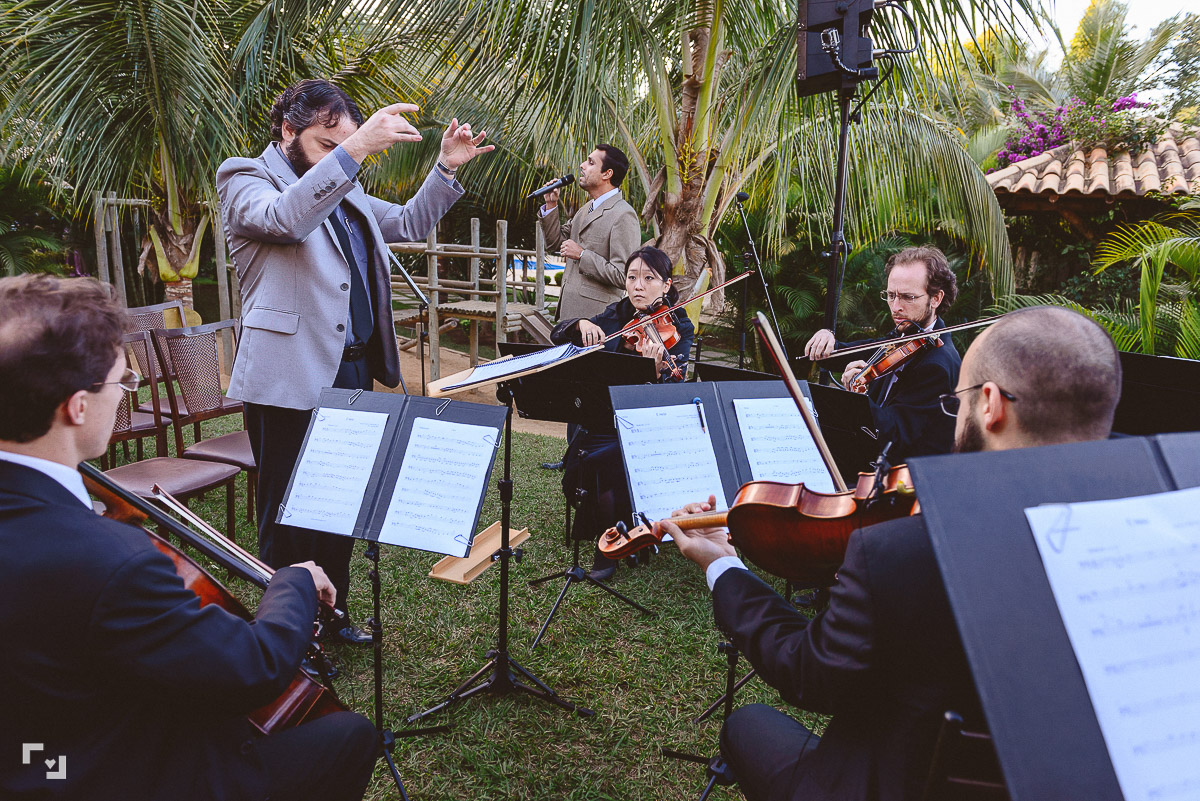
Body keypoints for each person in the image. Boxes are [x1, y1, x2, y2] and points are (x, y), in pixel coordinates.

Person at [664, 306, 1123, 801]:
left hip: (891, 784)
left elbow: (809, 674)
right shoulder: (1135, 539)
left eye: (956, 403)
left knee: (748, 723)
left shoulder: (903, 552)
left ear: (990, 404)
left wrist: (722, 564)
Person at [0, 274, 377, 801]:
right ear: (76, 406)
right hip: (91, 777)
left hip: (29, 752)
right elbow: (253, 669)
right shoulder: (113, 561)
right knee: (350, 735)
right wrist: (292, 582)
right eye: (122, 382)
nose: (126, 392)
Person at [217, 79, 493, 643]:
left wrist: (445, 167)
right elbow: (285, 219)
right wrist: (356, 148)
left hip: (353, 371)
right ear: (288, 130)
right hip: (289, 374)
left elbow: (409, 224)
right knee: (288, 512)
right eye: (326, 145)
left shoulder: (343, 187)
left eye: (341, 147)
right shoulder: (245, 177)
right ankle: (287, 632)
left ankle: (333, 614)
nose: (336, 157)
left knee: (338, 503)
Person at [551, 244, 694, 581]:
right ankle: (610, 525)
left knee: (610, 459)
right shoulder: (617, 314)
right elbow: (559, 335)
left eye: (649, 278)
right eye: (632, 277)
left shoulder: (680, 327)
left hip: (647, 424)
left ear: (667, 285)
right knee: (578, 471)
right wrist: (580, 324)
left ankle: (610, 548)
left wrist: (653, 372)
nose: (638, 286)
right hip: (604, 418)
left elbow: (673, 388)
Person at [803, 246, 962, 461]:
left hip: (899, 474)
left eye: (907, 297)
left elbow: (895, 435)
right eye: (890, 295)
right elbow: (852, 351)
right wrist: (827, 338)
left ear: (936, 298)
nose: (895, 307)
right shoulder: (906, 335)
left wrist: (857, 399)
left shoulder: (936, 366)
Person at [539, 144, 642, 321]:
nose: (582, 165)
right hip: (568, 316)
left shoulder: (624, 215)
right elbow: (555, 243)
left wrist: (582, 255)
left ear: (607, 174)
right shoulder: (586, 209)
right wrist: (551, 204)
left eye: (591, 162)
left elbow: (624, 275)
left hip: (597, 320)